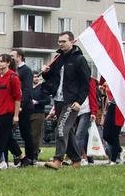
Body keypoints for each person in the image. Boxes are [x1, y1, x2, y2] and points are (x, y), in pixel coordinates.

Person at [41, 32, 91, 169]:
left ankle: (58, 160)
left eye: (63, 41)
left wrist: (79, 101)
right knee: (67, 131)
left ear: (72, 41)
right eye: (59, 42)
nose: (61, 44)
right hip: (58, 100)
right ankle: (76, 160)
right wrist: (45, 72)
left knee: (61, 128)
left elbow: (86, 83)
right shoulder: (58, 58)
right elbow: (51, 78)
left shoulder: (79, 59)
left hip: (71, 101)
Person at [0, 54, 22, 169]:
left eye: (2, 61)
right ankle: (22, 157)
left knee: (0, 137)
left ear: (7, 63)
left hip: (8, 112)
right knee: (8, 138)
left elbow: (17, 97)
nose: (0, 63)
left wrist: (16, 115)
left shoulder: (13, 77)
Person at [11, 49, 36, 166]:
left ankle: (30, 157)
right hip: (14, 106)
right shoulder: (13, 70)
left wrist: (20, 105)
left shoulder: (26, 70)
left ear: (19, 57)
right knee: (10, 132)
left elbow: (27, 90)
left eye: (12, 56)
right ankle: (18, 156)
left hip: (24, 107)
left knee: (26, 133)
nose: (10, 58)